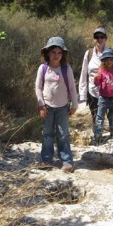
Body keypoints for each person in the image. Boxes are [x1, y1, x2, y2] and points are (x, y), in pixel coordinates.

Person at [35, 36, 78, 172]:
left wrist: (74, 105)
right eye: (53, 52)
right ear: (48, 53)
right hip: (47, 107)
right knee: (47, 133)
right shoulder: (43, 68)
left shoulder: (66, 69)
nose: (56, 55)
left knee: (63, 134)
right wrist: (41, 105)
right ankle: (46, 160)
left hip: (62, 108)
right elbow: (38, 87)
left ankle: (66, 161)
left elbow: (72, 87)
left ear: (63, 54)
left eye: (59, 52)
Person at [79, 27, 113, 138]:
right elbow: (84, 73)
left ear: (106, 38)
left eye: (102, 37)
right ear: (94, 39)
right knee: (97, 118)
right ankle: (98, 139)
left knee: (112, 117)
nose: (99, 39)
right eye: (97, 37)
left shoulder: (112, 53)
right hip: (93, 93)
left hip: (111, 93)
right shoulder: (88, 54)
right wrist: (83, 93)